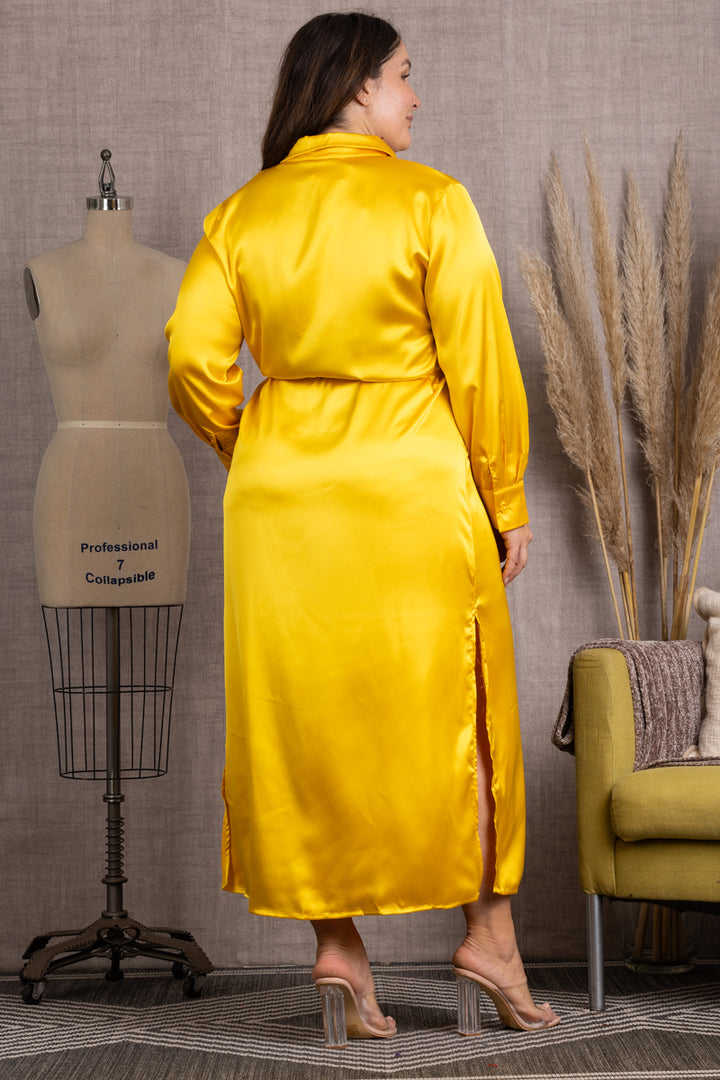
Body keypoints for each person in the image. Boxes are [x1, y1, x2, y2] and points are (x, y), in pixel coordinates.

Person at [166, 11, 559, 1046]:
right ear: (355, 87)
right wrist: (505, 497)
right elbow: (480, 360)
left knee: (306, 717)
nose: (416, 97)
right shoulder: (430, 199)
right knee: (461, 708)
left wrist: (253, 447)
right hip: (413, 486)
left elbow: (192, 359)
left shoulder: (240, 214)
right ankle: (490, 938)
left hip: (280, 500)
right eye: (404, 76)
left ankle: (339, 950)